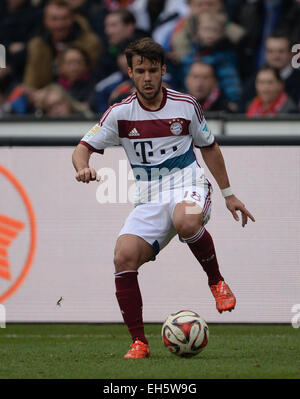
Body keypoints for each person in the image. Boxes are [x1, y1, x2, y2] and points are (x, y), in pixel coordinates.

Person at [72, 38, 255, 359]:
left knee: (186, 220)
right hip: (149, 197)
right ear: (130, 72)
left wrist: (229, 194)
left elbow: (208, 146)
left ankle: (216, 281)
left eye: (153, 70)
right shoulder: (119, 113)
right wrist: (83, 167)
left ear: (163, 70)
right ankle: (139, 343)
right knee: (123, 257)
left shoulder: (185, 105)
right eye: (140, 70)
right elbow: (82, 148)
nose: (147, 77)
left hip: (189, 183)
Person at [23, 0, 102, 89]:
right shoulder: (37, 45)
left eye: (64, 18)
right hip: (42, 98)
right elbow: (31, 82)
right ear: (45, 21)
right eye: (54, 19)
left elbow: (90, 78)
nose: (59, 25)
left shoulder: (90, 43)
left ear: (73, 18)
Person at [181, 11, 241, 111]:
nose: (209, 34)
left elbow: (231, 83)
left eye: (214, 30)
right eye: (206, 29)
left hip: (219, 103)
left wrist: (233, 101)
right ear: (198, 32)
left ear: (222, 33)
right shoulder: (191, 54)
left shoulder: (226, 57)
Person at [239, 32, 300, 112]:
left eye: (281, 51)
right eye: (270, 51)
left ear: (291, 54)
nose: (275, 56)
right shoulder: (252, 81)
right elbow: (241, 112)